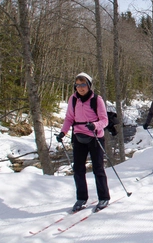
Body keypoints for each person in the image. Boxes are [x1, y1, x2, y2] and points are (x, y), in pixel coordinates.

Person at [56, 72, 110, 212]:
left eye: (83, 84)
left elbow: (104, 120)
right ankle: (81, 198)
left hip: (95, 137)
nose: (80, 88)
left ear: (89, 85)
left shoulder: (97, 100)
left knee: (98, 168)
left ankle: (104, 197)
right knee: (78, 169)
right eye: (78, 85)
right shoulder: (73, 99)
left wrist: (95, 125)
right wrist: (63, 132)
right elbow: (69, 118)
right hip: (78, 137)